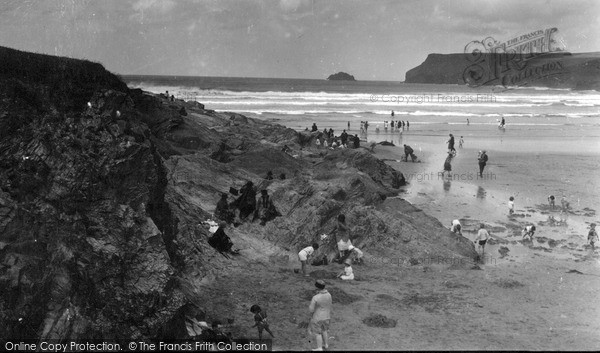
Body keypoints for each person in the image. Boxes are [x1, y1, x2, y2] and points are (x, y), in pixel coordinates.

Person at [308, 280, 332, 351]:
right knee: (324, 330)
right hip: (327, 316)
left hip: (318, 317)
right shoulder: (329, 295)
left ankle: (319, 347)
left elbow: (311, 309)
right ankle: (326, 344)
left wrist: (311, 316)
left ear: (317, 287)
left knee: (317, 333)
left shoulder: (316, 297)